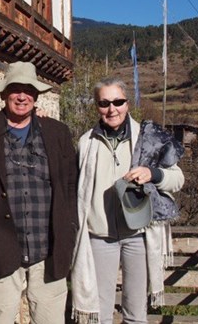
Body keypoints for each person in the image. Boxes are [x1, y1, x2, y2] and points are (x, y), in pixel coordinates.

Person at [0, 61, 78, 324]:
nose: (22, 96)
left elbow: (71, 185)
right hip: (0, 251)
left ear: (36, 96)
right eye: (15, 89)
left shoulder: (57, 133)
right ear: (4, 94)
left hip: (49, 251)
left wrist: (69, 226)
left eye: (28, 89)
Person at [71, 77, 185, 324]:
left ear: (127, 103)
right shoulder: (86, 142)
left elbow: (178, 179)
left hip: (138, 235)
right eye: (104, 103)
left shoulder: (148, 139)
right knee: (99, 315)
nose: (112, 109)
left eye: (118, 101)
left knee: (136, 313)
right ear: (96, 106)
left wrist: (152, 174)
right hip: (100, 236)